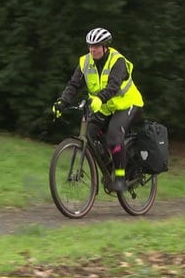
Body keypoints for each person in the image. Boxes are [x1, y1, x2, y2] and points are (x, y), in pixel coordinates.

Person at [52, 28, 144, 191]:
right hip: (105, 107)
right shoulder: (85, 62)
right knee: (88, 135)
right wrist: (62, 102)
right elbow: (73, 85)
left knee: (115, 136)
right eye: (90, 46)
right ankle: (109, 168)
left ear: (105, 46)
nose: (92, 49)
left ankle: (121, 178)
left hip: (128, 104)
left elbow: (113, 86)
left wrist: (99, 98)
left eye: (96, 46)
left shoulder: (118, 61)